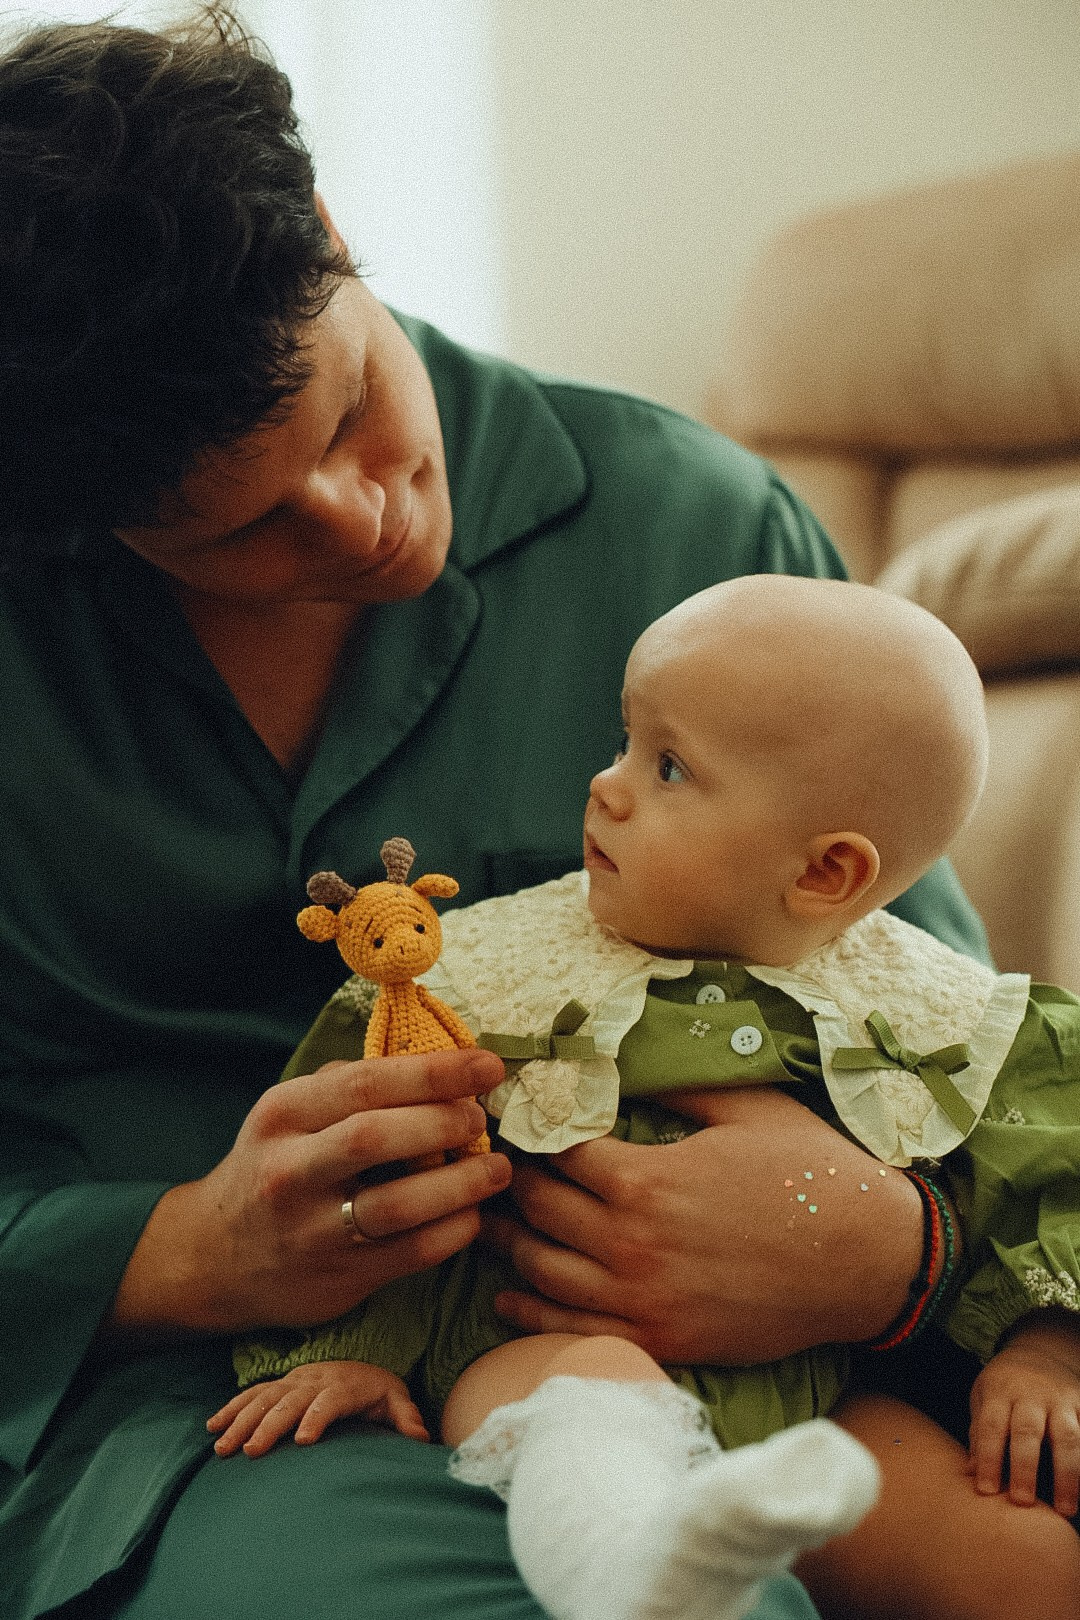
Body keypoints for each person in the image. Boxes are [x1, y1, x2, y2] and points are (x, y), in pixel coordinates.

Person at [0, 11, 997, 1620]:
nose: (361, 520)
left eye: (344, 413)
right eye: (236, 530)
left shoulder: (701, 528)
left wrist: (886, 1250)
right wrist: (187, 1252)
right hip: (202, 1414)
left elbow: (963, 1035)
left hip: (775, 1375)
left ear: (331, 233)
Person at [210, 576, 1080, 1620]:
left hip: (818, 1404)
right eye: (624, 743)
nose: (605, 786)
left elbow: (1050, 1178)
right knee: (597, 1394)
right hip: (539, 1354)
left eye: (667, 767)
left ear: (827, 874)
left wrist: (1046, 1346)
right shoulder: (492, 975)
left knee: (1022, 1565)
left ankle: (723, 1539)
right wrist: (337, 1356)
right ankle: (631, 1567)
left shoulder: (938, 1014)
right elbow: (352, 1159)